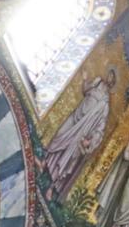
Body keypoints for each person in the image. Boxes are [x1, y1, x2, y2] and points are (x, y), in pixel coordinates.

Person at [43, 66, 115, 198]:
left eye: (112, 78)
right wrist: (84, 79)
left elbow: (101, 127)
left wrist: (91, 140)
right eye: (109, 75)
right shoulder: (97, 82)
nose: (109, 78)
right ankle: (43, 162)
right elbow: (85, 90)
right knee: (59, 135)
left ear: (112, 84)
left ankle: (51, 187)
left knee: (69, 158)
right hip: (75, 117)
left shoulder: (105, 104)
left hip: (83, 131)